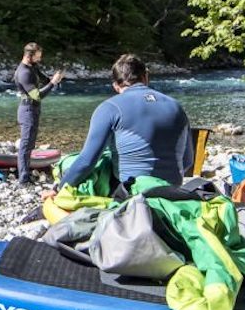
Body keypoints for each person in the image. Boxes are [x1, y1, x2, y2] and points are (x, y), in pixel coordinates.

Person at [47, 53, 193, 195]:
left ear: (116, 86)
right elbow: (187, 161)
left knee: (84, 162)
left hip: (131, 192)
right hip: (173, 189)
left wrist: (58, 189)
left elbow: (86, 161)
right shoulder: (176, 106)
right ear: (146, 77)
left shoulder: (109, 108)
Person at [13, 42, 64, 184]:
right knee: (25, 145)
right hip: (27, 110)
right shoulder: (23, 72)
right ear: (29, 56)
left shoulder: (33, 67)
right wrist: (52, 83)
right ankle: (23, 179)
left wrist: (55, 79)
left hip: (33, 110)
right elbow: (36, 95)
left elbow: (45, 80)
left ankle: (26, 173)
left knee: (30, 144)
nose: (40, 59)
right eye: (38, 56)